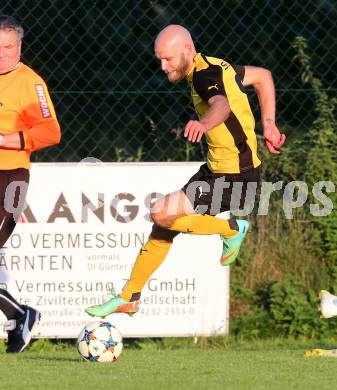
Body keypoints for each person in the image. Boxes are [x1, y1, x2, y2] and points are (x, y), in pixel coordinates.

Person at [85, 24, 285, 318]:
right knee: (163, 225)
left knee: (160, 212)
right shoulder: (216, 66)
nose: (163, 66)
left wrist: (204, 124)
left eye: (168, 59)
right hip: (217, 170)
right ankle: (129, 297)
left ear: (188, 51)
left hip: (237, 176)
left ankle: (232, 229)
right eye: (160, 59)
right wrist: (268, 123)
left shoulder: (205, 77)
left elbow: (222, 106)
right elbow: (263, 77)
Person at [0, 15, 61, 352]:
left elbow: (51, 132)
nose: (1, 54)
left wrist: (5, 138)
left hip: (9, 179)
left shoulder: (30, 83)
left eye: (8, 47)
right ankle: (19, 315)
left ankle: (19, 315)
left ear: (19, 47)